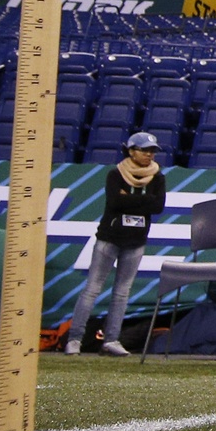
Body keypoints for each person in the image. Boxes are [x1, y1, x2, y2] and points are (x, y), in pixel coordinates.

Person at [62, 132, 165, 358]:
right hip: (109, 238)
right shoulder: (115, 174)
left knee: (121, 293)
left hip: (136, 242)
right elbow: (115, 202)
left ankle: (112, 340)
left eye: (152, 151)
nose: (149, 155)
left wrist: (131, 200)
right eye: (144, 150)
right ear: (131, 151)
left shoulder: (158, 178)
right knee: (92, 289)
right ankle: (75, 339)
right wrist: (142, 201)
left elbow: (157, 206)